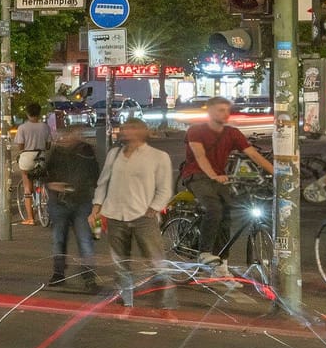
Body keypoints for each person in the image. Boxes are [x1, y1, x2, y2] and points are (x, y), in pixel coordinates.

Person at [177, 95, 274, 264]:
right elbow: (200, 156)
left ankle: (222, 262)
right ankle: (205, 252)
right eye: (221, 110)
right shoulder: (196, 130)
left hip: (219, 177)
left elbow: (253, 154)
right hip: (196, 175)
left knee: (227, 215)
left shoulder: (232, 133)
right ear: (210, 111)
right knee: (214, 208)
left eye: (227, 110)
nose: (226, 114)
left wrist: (276, 174)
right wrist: (213, 175)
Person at [91, 116, 175, 309]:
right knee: (121, 262)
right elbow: (103, 182)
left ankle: (166, 302)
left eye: (132, 128)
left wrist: (153, 208)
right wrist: (96, 207)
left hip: (143, 216)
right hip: (115, 214)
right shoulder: (115, 154)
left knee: (156, 261)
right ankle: (126, 300)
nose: (126, 132)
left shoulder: (158, 156)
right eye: (125, 128)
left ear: (142, 132)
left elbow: (164, 188)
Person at [34, 121, 102, 292]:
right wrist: (53, 184)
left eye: (79, 133)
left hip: (81, 201)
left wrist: (87, 190)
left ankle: (89, 277)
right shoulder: (58, 151)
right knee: (59, 239)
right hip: (60, 201)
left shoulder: (86, 152)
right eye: (73, 133)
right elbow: (45, 173)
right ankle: (58, 273)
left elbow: (95, 175)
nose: (75, 137)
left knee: (85, 240)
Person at [14, 103, 53, 226]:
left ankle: (30, 218)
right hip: (41, 157)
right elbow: (48, 145)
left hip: (27, 157)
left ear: (27, 113)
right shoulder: (45, 127)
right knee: (42, 178)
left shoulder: (22, 128)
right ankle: (43, 194)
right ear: (39, 113)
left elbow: (20, 146)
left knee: (27, 187)